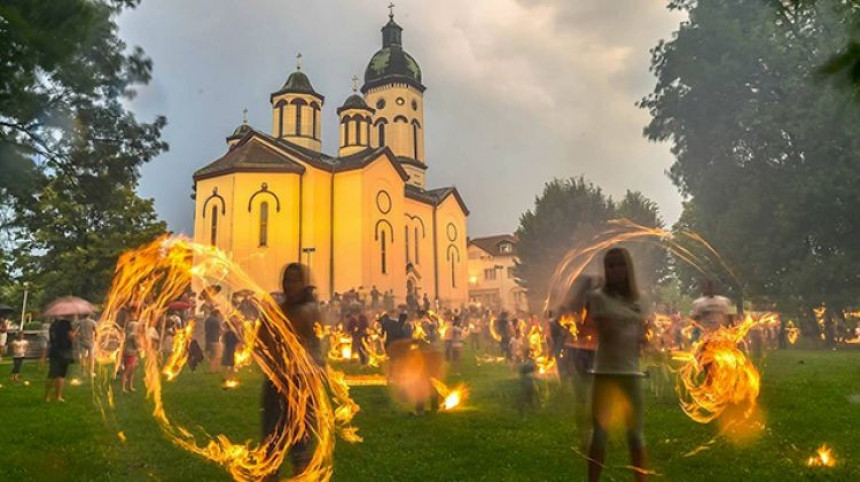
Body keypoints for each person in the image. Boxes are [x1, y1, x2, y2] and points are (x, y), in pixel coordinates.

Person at [586, 248, 648, 481]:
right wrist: (626, 319)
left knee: (635, 434)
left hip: (631, 372)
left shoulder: (640, 299)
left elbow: (641, 334)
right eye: (610, 266)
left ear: (627, 268)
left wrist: (642, 337)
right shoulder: (598, 297)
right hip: (604, 372)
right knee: (599, 434)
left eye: (619, 265)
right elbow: (604, 330)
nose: (615, 270)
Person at [260, 263, 324, 480]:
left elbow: (316, 347)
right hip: (276, 384)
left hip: (300, 385)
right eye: (287, 279)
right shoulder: (276, 312)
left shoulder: (309, 312)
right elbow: (261, 342)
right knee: (271, 441)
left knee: (301, 443)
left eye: (295, 280)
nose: (289, 285)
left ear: (303, 283)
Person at [45, 317, 77, 402]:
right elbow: (71, 337)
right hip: (64, 350)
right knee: (61, 375)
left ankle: (47, 396)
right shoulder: (66, 323)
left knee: (52, 374)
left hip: (54, 350)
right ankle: (58, 396)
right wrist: (74, 334)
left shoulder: (53, 324)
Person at [122, 319, 140, 393]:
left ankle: (129, 387)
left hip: (127, 353)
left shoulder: (127, 334)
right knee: (129, 371)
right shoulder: (133, 335)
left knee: (129, 371)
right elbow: (136, 345)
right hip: (131, 354)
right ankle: (124, 388)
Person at [204, 309, 223, 373]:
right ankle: (216, 369)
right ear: (216, 314)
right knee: (217, 356)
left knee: (212, 356)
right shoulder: (216, 321)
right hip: (215, 339)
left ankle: (212, 369)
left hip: (208, 339)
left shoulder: (207, 320)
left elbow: (206, 329)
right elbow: (220, 329)